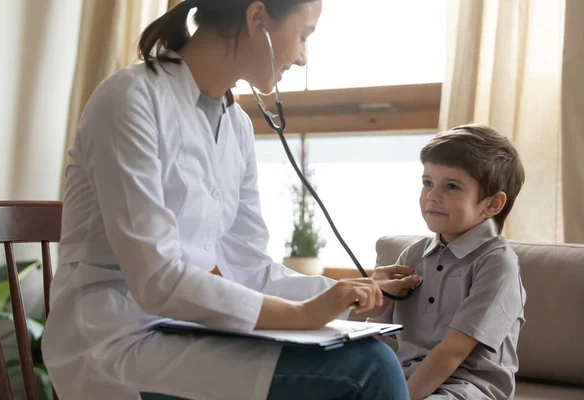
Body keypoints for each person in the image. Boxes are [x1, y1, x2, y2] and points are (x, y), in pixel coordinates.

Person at [41, 1, 419, 399]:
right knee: (365, 369)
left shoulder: (236, 125)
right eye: (304, 35)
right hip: (114, 338)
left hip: (184, 332)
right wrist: (300, 315)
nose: (304, 57)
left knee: (367, 355)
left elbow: (250, 267)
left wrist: (347, 291)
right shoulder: (129, 99)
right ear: (257, 17)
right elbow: (156, 280)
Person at [368, 124, 527, 399]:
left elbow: (453, 351)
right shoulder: (412, 255)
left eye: (451, 186)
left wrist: (401, 397)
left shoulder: (497, 264)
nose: (432, 195)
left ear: (491, 205)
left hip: (470, 388)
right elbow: (376, 335)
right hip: (406, 378)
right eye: (427, 182)